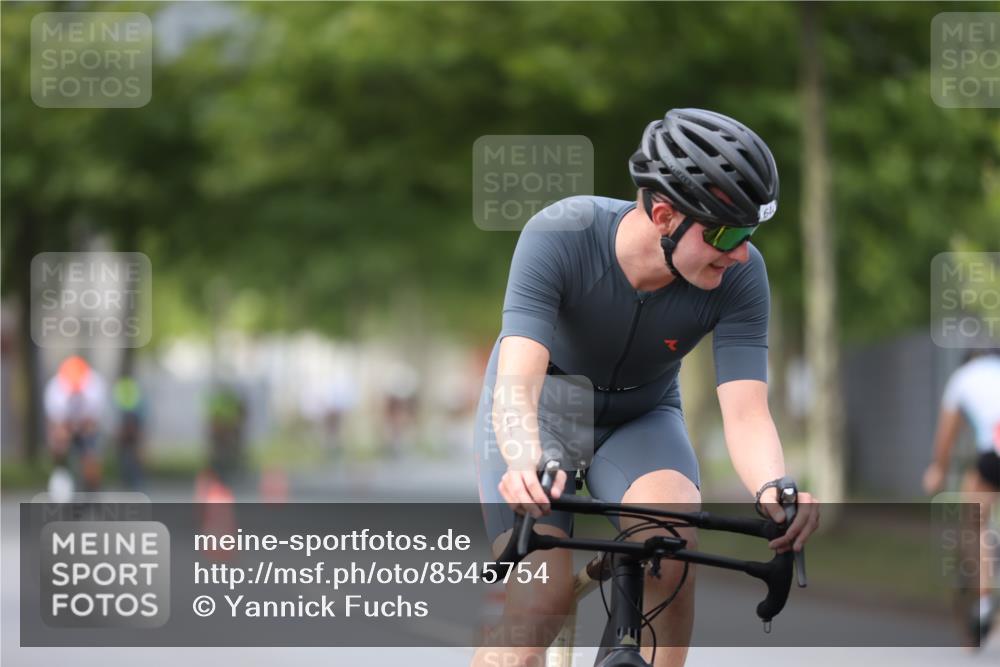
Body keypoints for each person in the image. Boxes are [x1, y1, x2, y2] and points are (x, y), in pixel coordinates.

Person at [472, 108, 820, 667]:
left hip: (642, 415)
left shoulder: (741, 277)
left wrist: (773, 488)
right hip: (545, 410)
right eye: (726, 233)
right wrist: (522, 458)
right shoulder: (561, 234)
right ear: (663, 215)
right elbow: (516, 385)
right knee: (540, 603)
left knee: (673, 537)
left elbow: (748, 412)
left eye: (750, 232)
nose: (740, 252)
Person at [923, 348, 1000, 642]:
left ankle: (983, 602)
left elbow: (946, 434)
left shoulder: (961, 378)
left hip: (994, 452)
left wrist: (938, 470)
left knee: (975, 525)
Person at [44, 355, 107, 493]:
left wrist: (84, 431)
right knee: (59, 447)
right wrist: (63, 433)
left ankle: (92, 488)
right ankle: (61, 475)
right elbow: (56, 422)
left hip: (87, 425)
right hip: (65, 424)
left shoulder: (95, 386)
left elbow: (93, 421)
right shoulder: (55, 389)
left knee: (90, 456)